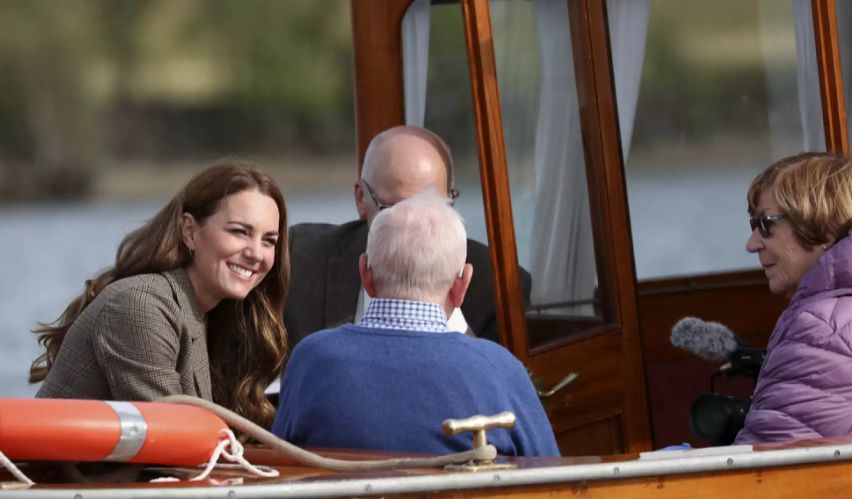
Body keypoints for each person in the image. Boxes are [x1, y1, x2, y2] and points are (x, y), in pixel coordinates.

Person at [272, 192, 559, 457]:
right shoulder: (498, 368)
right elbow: (549, 477)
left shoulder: (312, 358)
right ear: (461, 285)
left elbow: (283, 463)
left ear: (365, 275)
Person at [30, 161, 289, 427]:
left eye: (268, 240)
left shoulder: (216, 314)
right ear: (190, 231)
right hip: (48, 469)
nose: (256, 253)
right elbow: (171, 435)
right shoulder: (141, 305)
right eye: (239, 232)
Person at [284, 125, 530, 353]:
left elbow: (491, 385)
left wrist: (453, 318)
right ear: (361, 199)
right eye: (395, 209)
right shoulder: (301, 257)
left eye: (432, 206)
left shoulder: (496, 284)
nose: (414, 224)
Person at [735, 152, 852, 444]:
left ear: (823, 226)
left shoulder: (820, 329)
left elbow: (769, 473)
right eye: (753, 225)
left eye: (766, 224)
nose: (752, 244)